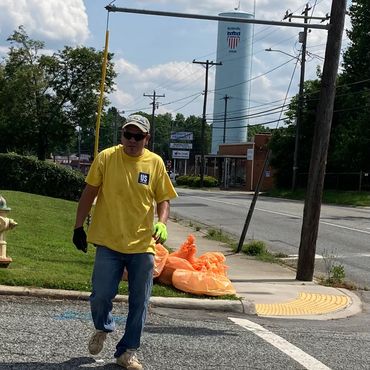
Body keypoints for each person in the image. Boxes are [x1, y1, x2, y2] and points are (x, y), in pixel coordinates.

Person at [72, 114, 177, 370]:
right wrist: (77, 226)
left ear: (147, 138)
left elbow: (164, 199)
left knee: (139, 301)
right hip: (108, 241)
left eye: (138, 136)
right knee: (100, 296)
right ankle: (103, 327)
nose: (131, 140)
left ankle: (127, 351)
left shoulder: (155, 163)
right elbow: (89, 192)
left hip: (142, 244)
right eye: (127, 135)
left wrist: (162, 222)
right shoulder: (107, 158)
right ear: (121, 136)